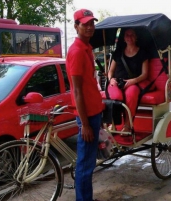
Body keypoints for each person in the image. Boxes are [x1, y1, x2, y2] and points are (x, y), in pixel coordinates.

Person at [66, 9, 103, 201]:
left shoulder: (87, 48)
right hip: (87, 116)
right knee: (84, 165)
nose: (89, 27)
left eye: (92, 23)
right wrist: (85, 123)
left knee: (88, 163)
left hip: (94, 112)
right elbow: (77, 91)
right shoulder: (78, 51)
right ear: (76, 26)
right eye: (85, 24)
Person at [107, 28, 149, 132]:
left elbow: (145, 74)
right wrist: (111, 79)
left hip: (133, 82)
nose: (129, 37)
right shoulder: (118, 52)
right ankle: (113, 123)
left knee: (131, 93)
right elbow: (110, 71)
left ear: (136, 37)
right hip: (117, 82)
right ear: (124, 38)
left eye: (132, 35)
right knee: (115, 96)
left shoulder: (142, 53)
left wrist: (133, 81)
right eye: (127, 35)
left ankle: (127, 125)